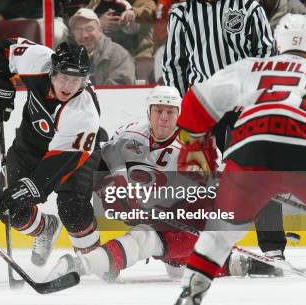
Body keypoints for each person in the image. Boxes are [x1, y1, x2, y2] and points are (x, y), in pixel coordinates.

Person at [172, 14, 306, 304]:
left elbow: (198, 100)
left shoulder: (251, 66)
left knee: (221, 231)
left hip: (250, 145)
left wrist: (193, 142)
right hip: (305, 144)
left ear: (277, 43)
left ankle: (191, 291)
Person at [46, 86, 247, 282]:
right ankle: (229, 262)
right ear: (148, 112)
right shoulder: (131, 133)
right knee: (167, 258)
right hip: (145, 212)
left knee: (150, 242)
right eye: (158, 110)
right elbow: (107, 151)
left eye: (170, 111)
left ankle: (81, 265)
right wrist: (119, 177)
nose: (164, 117)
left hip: (185, 225)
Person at [163, 0, 288, 276]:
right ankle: (201, 246)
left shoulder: (248, 7)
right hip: (203, 108)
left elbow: (268, 56)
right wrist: (183, 111)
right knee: (199, 178)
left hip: (245, 106)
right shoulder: (182, 14)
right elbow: (174, 65)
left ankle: (272, 248)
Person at [0, 39, 102, 266]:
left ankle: (98, 262)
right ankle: (45, 229)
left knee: (73, 208)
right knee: (11, 209)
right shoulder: (37, 59)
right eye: (64, 77)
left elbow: (60, 164)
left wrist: (31, 188)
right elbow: (5, 48)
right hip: (31, 144)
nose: (68, 86)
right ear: (52, 70)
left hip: (75, 154)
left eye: (76, 80)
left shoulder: (84, 113)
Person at [69, 8, 135, 85]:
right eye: (79, 30)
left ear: (100, 30)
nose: (84, 35)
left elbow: (119, 91)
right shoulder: (69, 59)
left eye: (89, 29)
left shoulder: (119, 55)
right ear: (73, 34)